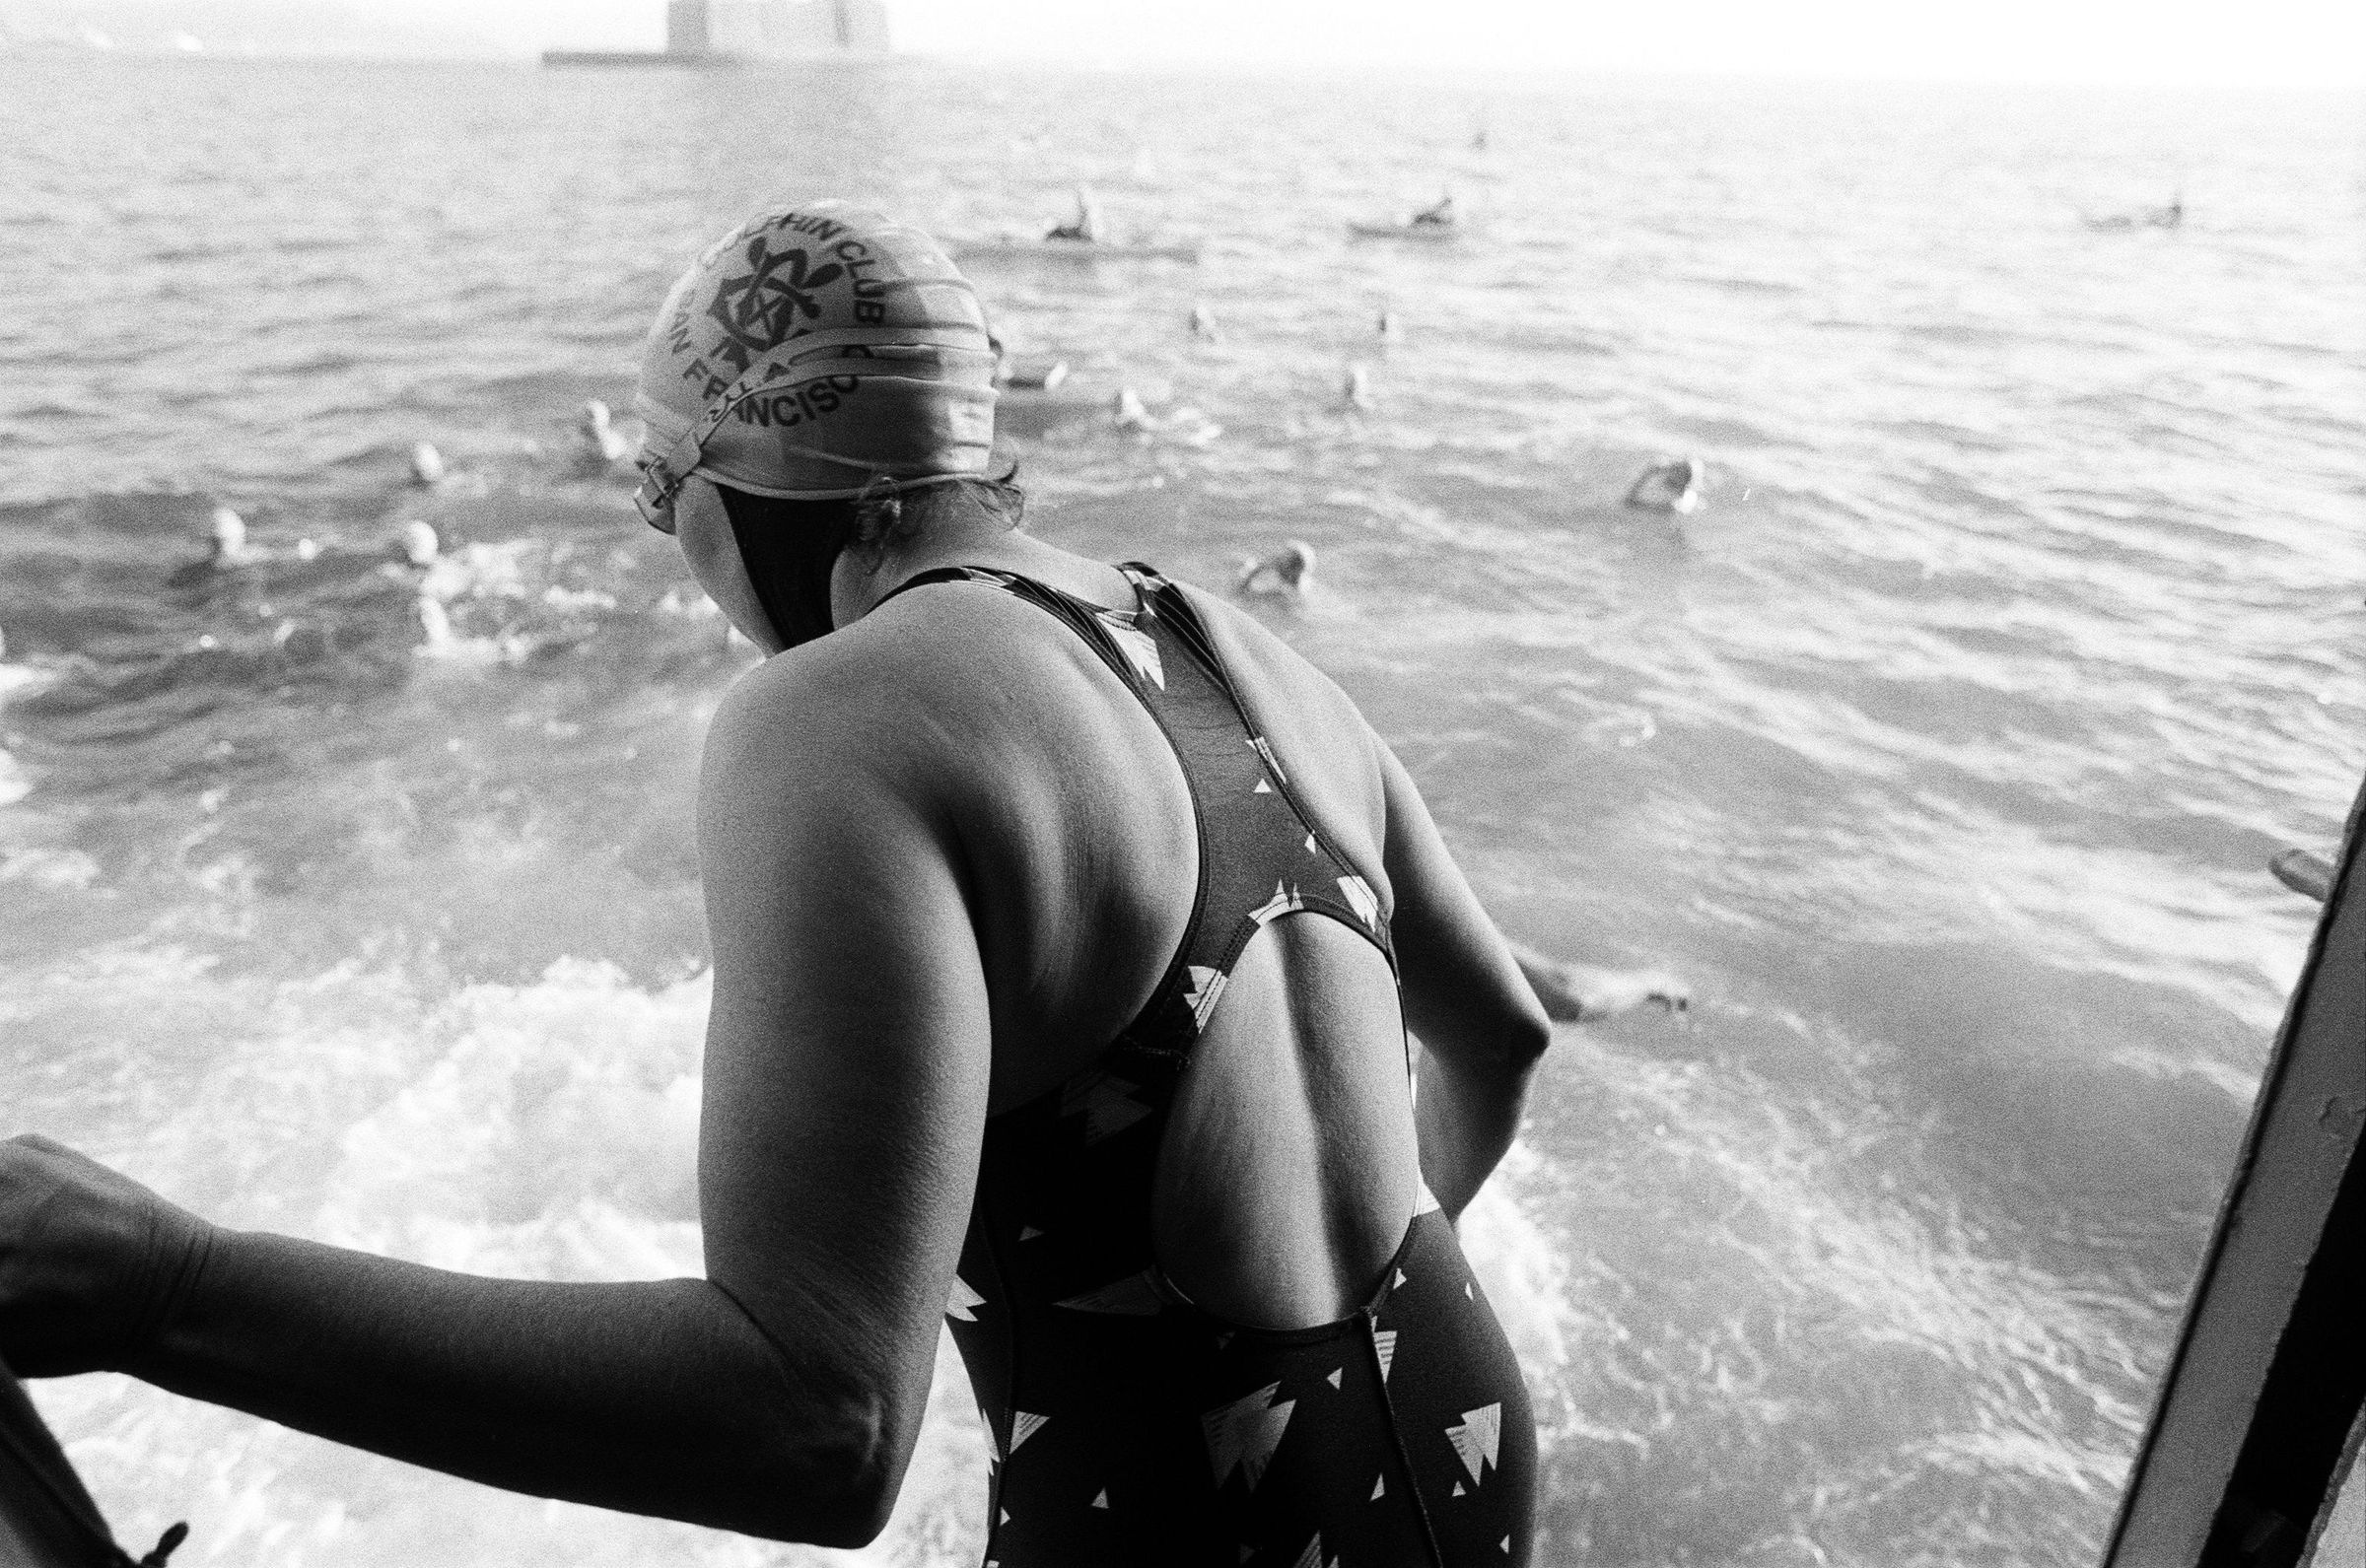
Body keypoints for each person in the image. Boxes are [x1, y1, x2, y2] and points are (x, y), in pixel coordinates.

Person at [0, 201, 1600, 1566]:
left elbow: (817, 1427)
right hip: (1463, 1450)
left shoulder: (834, 716)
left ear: (756, 480)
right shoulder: (1253, 661)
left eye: (662, 492)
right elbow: (1504, 1037)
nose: (672, 540)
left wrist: (170, 1286)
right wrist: (1290, 1308)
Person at [1236, 539, 1316, 601]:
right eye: (1288, 555)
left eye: (1292, 559)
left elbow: (1295, 601)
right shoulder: (1271, 565)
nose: (1285, 557)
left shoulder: (1300, 586)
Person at [1625, 455, 1704, 516]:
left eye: (1683, 473)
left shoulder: (1689, 496)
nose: (1677, 474)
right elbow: (1630, 498)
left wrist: (1638, 504)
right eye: (1676, 469)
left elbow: (1669, 510)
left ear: (1688, 478)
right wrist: (1648, 474)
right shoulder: (1659, 483)